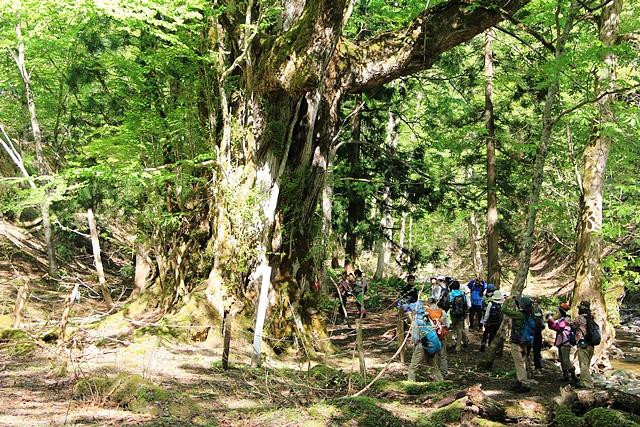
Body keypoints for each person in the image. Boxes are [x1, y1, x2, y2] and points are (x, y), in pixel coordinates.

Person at [399, 296, 443, 382]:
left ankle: (410, 383)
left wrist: (413, 343)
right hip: (431, 343)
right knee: (433, 365)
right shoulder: (427, 318)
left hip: (421, 345)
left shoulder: (416, 321)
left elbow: (416, 337)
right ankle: (440, 380)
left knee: (413, 366)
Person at [502, 295, 536, 393]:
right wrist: (517, 301)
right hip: (525, 342)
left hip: (517, 342)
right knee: (523, 362)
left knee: (519, 364)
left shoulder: (519, 315)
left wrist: (507, 300)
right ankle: (521, 382)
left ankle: (524, 384)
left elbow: (504, 310)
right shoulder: (530, 314)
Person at [547, 302, 576, 383]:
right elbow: (554, 327)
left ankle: (573, 377)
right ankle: (565, 376)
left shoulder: (565, 320)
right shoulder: (563, 319)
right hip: (562, 343)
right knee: (562, 360)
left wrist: (551, 320)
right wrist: (551, 320)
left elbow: (558, 328)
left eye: (558, 311)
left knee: (566, 360)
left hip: (565, 343)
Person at [573, 301, 596, 388]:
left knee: (583, 365)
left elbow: (571, 324)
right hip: (591, 345)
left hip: (583, 345)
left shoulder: (580, 318)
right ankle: (583, 382)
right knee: (586, 364)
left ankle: (588, 384)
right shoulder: (592, 318)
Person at [427, 297, 450, 375]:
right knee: (443, 355)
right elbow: (448, 325)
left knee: (432, 355)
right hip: (441, 336)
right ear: (436, 302)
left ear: (429, 304)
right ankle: (444, 371)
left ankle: (433, 372)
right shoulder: (442, 311)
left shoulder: (427, 313)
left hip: (431, 337)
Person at [448, 280, 468, 352]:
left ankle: (452, 343)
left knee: (453, 328)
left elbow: (449, 302)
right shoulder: (462, 293)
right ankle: (458, 347)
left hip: (453, 313)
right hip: (461, 314)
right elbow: (465, 303)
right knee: (460, 329)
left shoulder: (451, 293)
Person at [531, 302, 545, 372]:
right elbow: (543, 325)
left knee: (528, 350)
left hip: (531, 333)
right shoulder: (539, 311)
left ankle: (526, 367)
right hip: (537, 333)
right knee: (537, 351)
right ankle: (538, 366)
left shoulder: (530, 311)